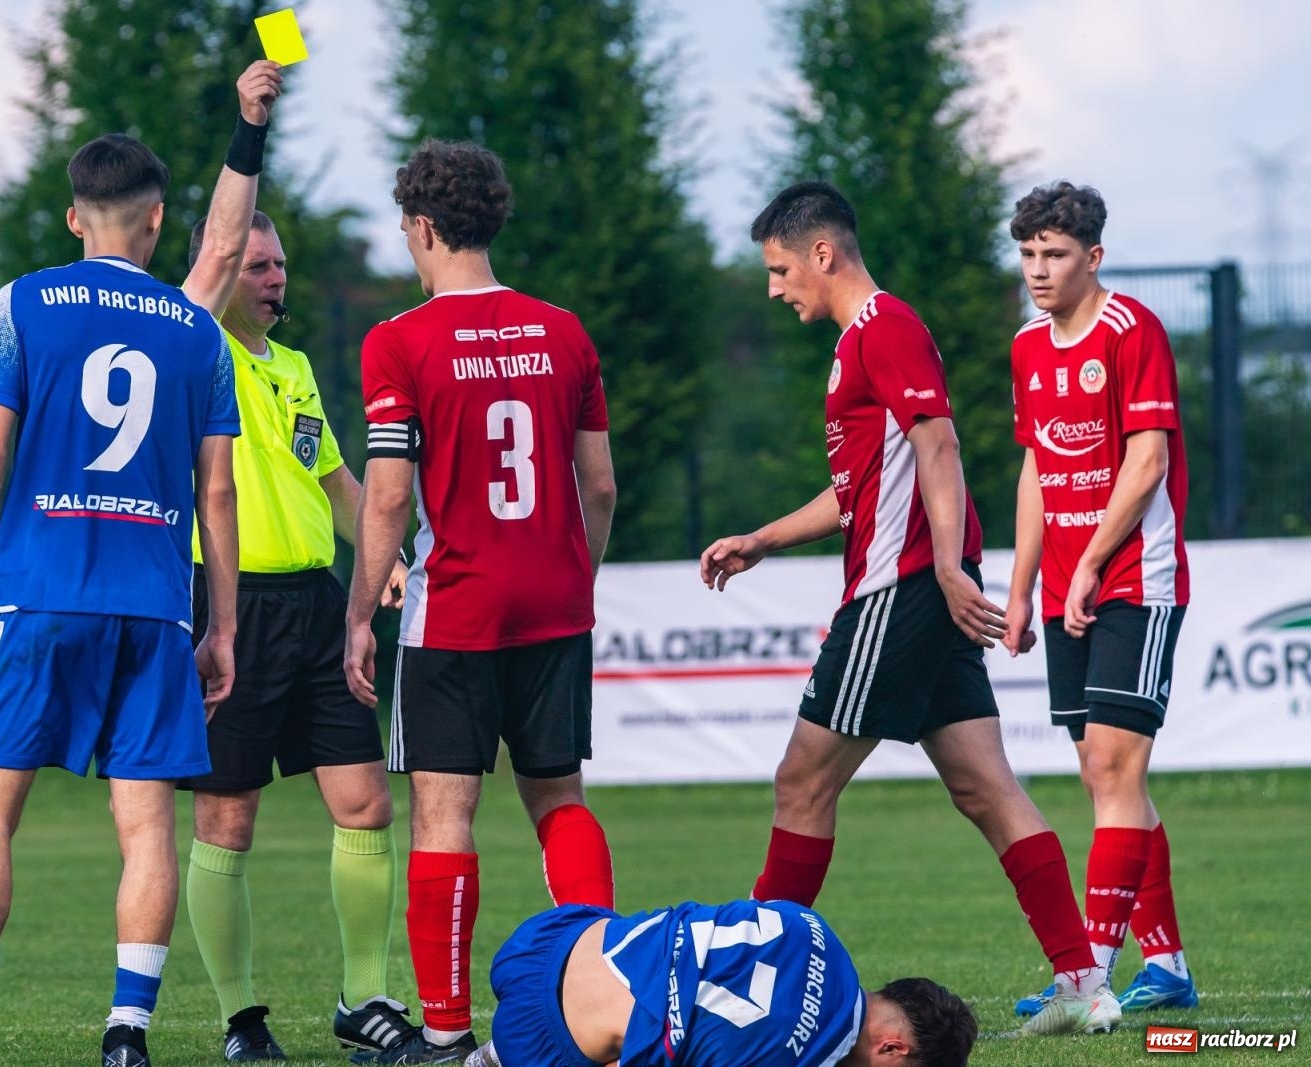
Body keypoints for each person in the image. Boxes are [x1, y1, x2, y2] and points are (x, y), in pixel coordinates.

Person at [0, 62, 283, 1067]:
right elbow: (218, 493)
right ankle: (126, 1036)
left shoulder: (23, 302)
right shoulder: (195, 329)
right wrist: (219, 623)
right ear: (153, 224)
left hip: (40, 590)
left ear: (74, 218)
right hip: (152, 609)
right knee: (143, 825)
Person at [698, 181, 1119, 1038]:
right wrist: (765, 537)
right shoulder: (862, 339)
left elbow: (939, 442)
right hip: (924, 587)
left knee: (801, 782)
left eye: (781, 269)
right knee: (985, 785)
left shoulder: (884, 327)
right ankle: (1082, 984)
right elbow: (863, 486)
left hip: (899, 594)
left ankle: (743, 992)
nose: (776, 288)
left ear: (823, 253)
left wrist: (949, 567)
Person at [344, 139, 620, 1064]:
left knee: (443, 815)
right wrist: (574, 577)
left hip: (455, 610)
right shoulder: (564, 330)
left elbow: (386, 495)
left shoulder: (399, 341)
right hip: (554, 604)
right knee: (560, 800)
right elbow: (602, 488)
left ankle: (449, 1034)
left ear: (422, 227)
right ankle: (602, 996)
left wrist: (358, 614)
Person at [176, 209, 415, 1061]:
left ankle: (366, 998)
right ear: (220, 269)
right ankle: (243, 1020)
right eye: (258, 265)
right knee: (227, 817)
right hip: (227, 605)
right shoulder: (195, 347)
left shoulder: (298, 367)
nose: (277, 278)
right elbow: (210, 261)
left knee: (367, 802)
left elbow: (338, 482)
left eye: (281, 266)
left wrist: (383, 555)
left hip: (317, 607)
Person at [1003, 181, 1198, 1018]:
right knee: (1101, 773)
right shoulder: (1026, 347)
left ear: (1094, 258)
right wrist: (1018, 586)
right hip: (1064, 588)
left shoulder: (1133, 331)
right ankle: (1170, 968)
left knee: (1116, 769)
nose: (1039, 271)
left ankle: (1088, 977)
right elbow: (1038, 469)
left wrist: (1089, 564)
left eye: (1055, 254)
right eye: (1028, 255)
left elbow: (1146, 461)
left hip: (1133, 580)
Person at [468, 897, 977, 1067]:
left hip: (549, 936)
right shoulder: (800, 1053)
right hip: (546, 1040)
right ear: (895, 1048)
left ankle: (493, 1055)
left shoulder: (814, 925)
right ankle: (499, 1057)